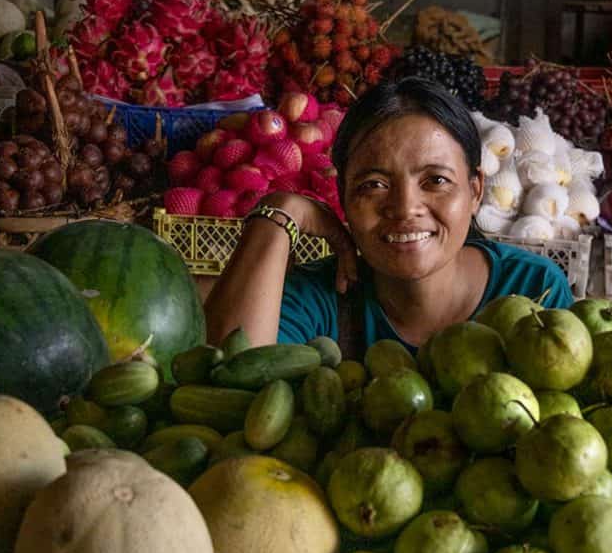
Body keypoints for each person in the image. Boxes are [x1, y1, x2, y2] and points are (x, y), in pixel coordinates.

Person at [205, 77, 574, 355]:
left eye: (436, 180)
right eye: (374, 184)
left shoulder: (531, 290)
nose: (404, 207)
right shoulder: (319, 297)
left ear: (475, 190)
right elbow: (230, 378)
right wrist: (279, 213)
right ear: (344, 195)